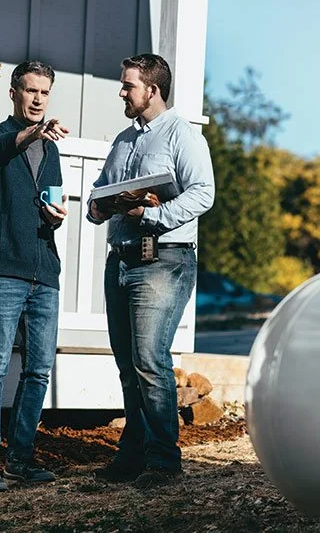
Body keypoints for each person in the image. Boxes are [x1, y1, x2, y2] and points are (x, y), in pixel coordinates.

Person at [88, 54, 214, 488]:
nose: (122, 92)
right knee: (127, 364)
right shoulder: (124, 140)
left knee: (150, 360)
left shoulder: (184, 135)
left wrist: (153, 215)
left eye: (128, 85)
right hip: (120, 258)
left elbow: (203, 193)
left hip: (164, 261)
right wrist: (101, 204)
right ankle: (134, 453)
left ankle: (163, 461)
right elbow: (97, 196)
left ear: (152, 90)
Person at [0, 60, 70, 493]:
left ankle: (21, 459)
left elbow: (55, 206)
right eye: (31, 91)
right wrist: (32, 132)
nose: (38, 99)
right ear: (13, 92)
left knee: (39, 371)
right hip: (0, 270)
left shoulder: (52, 151)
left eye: (44, 93)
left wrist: (56, 216)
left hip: (43, 271)